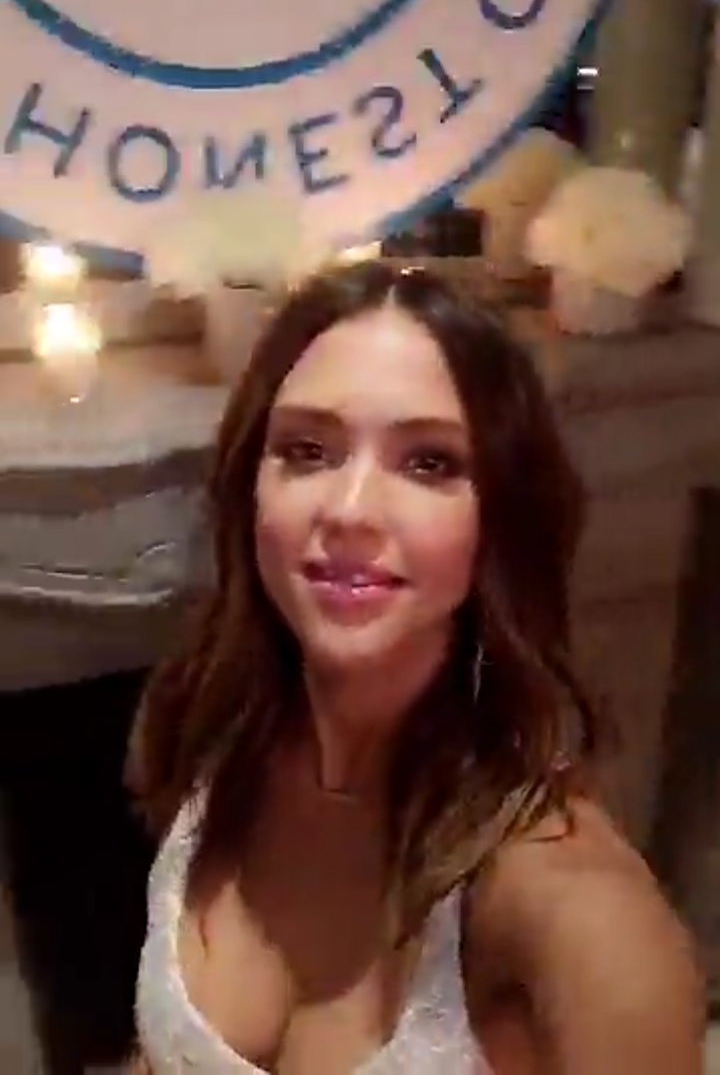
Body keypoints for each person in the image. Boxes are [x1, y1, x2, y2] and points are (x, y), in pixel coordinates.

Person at [127, 260, 704, 1073]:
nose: (350, 509)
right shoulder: (214, 741)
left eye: (429, 462)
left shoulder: (580, 918)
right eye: (307, 450)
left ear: (500, 517)